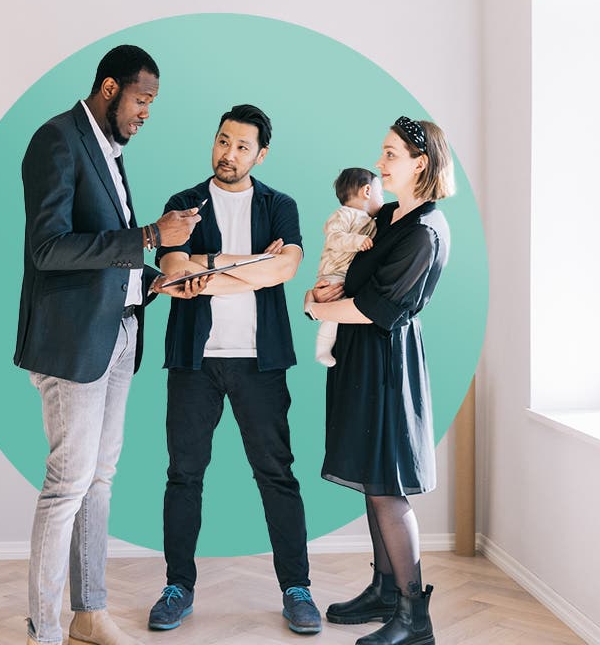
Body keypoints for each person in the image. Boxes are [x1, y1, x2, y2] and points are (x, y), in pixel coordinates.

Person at [15, 44, 207, 645]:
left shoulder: (109, 151)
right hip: (74, 344)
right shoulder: (57, 141)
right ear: (108, 88)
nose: (147, 112)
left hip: (121, 331)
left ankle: (88, 613)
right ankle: (43, 629)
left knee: (99, 479)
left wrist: (159, 280)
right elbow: (49, 249)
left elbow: (105, 251)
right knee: (67, 484)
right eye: (142, 99)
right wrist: (151, 235)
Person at [146, 104, 322, 636]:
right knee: (184, 475)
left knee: (277, 475)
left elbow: (287, 267)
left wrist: (211, 266)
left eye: (243, 146)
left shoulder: (280, 205)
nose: (229, 153)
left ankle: (297, 588)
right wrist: (251, 267)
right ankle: (178, 586)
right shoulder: (183, 203)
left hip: (259, 361)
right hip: (194, 361)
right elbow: (173, 272)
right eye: (223, 141)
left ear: (260, 153)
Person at [304, 117, 454, 645]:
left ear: (421, 163)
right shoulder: (390, 215)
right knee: (373, 480)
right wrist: (326, 292)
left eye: (391, 154)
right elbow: (350, 270)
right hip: (362, 362)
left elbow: (378, 308)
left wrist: (311, 304)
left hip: (388, 367)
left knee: (388, 488)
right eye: (383, 152)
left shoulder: (425, 231)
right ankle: (386, 590)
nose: (381, 162)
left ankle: (415, 617)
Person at [314, 167, 384, 367]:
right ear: (367, 191)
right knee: (334, 314)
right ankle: (322, 350)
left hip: (347, 274)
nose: (383, 199)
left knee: (343, 312)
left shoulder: (371, 220)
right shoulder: (344, 214)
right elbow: (334, 237)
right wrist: (356, 241)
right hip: (334, 272)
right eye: (381, 193)